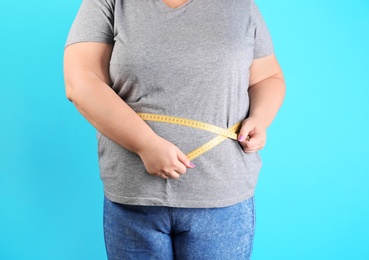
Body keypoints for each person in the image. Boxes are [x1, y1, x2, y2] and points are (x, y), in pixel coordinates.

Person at [64, 0, 285, 258]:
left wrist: (260, 116)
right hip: (134, 197)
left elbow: (268, 77)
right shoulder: (109, 3)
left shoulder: (239, 5)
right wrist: (145, 143)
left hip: (222, 197)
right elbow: (81, 81)